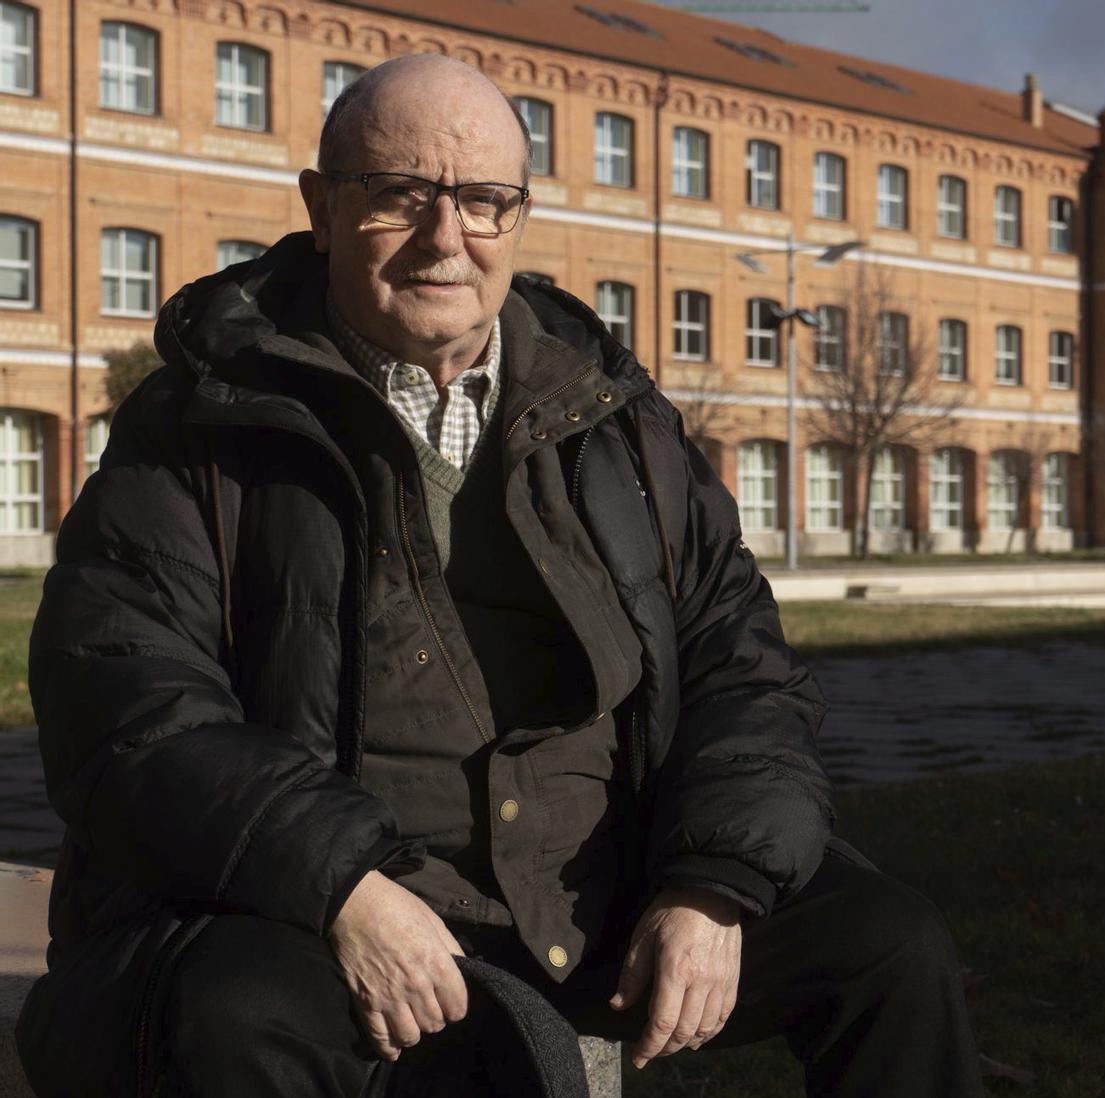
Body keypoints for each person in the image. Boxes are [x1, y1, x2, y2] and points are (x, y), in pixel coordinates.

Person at [17, 54, 984, 1097]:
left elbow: (741, 671)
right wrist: (343, 887)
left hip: (598, 900)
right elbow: (125, 702)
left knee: (890, 947)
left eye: (485, 202)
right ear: (323, 207)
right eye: (401, 195)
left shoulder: (614, 418)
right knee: (233, 1015)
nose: (448, 238)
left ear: (518, 216)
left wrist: (715, 883)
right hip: (321, 907)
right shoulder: (200, 422)